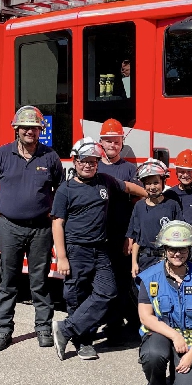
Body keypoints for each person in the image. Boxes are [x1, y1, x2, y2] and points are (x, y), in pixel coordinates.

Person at [50, 138, 145, 361]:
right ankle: (83, 342)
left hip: (100, 249)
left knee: (108, 292)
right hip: (76, 250)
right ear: (75, 161)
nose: (89, 165)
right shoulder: (66, 189)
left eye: (93, 161)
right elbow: (57, 224)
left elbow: (129, 187)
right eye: (84, 161)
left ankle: (65, 329)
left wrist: (149, 195)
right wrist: (62, 257)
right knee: (77, 296)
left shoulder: (105, 181)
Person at [0, 105, 64, 351]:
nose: (30, 131)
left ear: (41, 130)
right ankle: (3, 331)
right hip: (9, 228)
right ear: (16, 129)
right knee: (9, 282)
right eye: (25, 127)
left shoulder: (50, 156)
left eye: (35, 127)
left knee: (39, 281)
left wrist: (51, 211)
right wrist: (5, 206)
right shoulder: (2, 155)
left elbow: (60, 190)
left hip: (40, 229)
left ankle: (43, 329)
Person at [137, 221, 192, 385]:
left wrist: (191, 354)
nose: (177, 253)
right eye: (172, 249)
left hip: (191, 341)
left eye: (183, 249)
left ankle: (179, 377)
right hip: (161, 334)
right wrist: (174, 336)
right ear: (164, 249)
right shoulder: (149, 277)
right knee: (153, 354)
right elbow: (145, 316)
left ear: (190, 250)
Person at [95, 118, 144, 339]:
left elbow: (137, 205)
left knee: (123, 281)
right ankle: (109, 322)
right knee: (103, 281)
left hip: (122, 234)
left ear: (121, 144)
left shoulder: (130, 169)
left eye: (116, 142)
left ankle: (125, 324)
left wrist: (130, 236)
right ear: (101, 142)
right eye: (108, 141)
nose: (112, 145)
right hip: (99, 235)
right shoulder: (94, 166)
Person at [127, 158, 183, 277]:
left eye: (156, 182)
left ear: (163, 182)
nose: (152, 187)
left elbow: (180, 237)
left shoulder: (172, 205)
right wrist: (134, 264)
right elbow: (137, 239)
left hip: (167, 261)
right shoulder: (139, 206)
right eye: (148, 183)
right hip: (145, 262)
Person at [167, 149, 192, 226]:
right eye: (182, 171)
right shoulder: (170, 194)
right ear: (176, 171)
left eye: (189, 171)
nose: (185, 175)